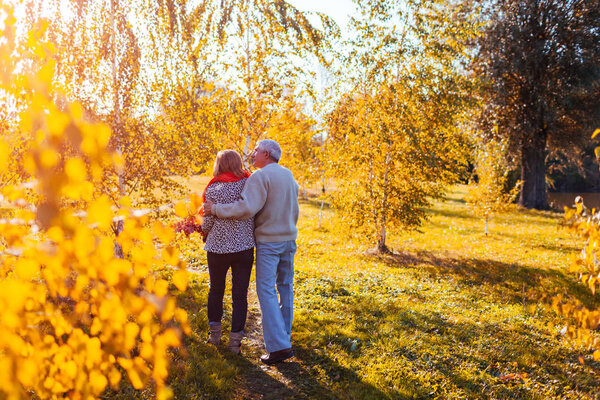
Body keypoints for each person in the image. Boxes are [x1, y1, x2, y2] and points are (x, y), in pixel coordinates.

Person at [204, 139, 299, 365]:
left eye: (256, 151)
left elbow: (246, 208)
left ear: (266, 154)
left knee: (265, 290)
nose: (253, 155)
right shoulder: (288, 175)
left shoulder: (260, 176)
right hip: (289, 238)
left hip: (269, 241)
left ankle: (279, 347)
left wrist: (215, 209)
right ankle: (284, 337)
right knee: (285, 288)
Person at [201, 150, 255, 354]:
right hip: (244, 246)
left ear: (220, 165)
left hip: (218, 248)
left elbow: (207, 221)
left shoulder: (214, 188)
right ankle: (235, 342)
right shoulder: (249, 185)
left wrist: (203, 230)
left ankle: (215, 336)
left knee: (216, 289)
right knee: (240, 294)